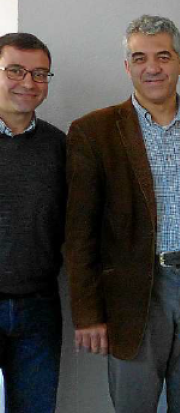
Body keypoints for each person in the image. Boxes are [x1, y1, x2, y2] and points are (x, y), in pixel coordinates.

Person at [64, 15, 180, 413]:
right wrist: (88, 314)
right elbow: (79, 233)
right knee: (134, 403)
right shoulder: (94, 131)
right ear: (128, 66)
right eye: (140, 58)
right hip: (135, 290)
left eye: (163, 56)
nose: (151, 67)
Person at [0, 33, 65, 413]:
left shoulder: (59, 146)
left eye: (39, 73)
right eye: (15, 70)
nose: (28, 82)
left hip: (39, 309)